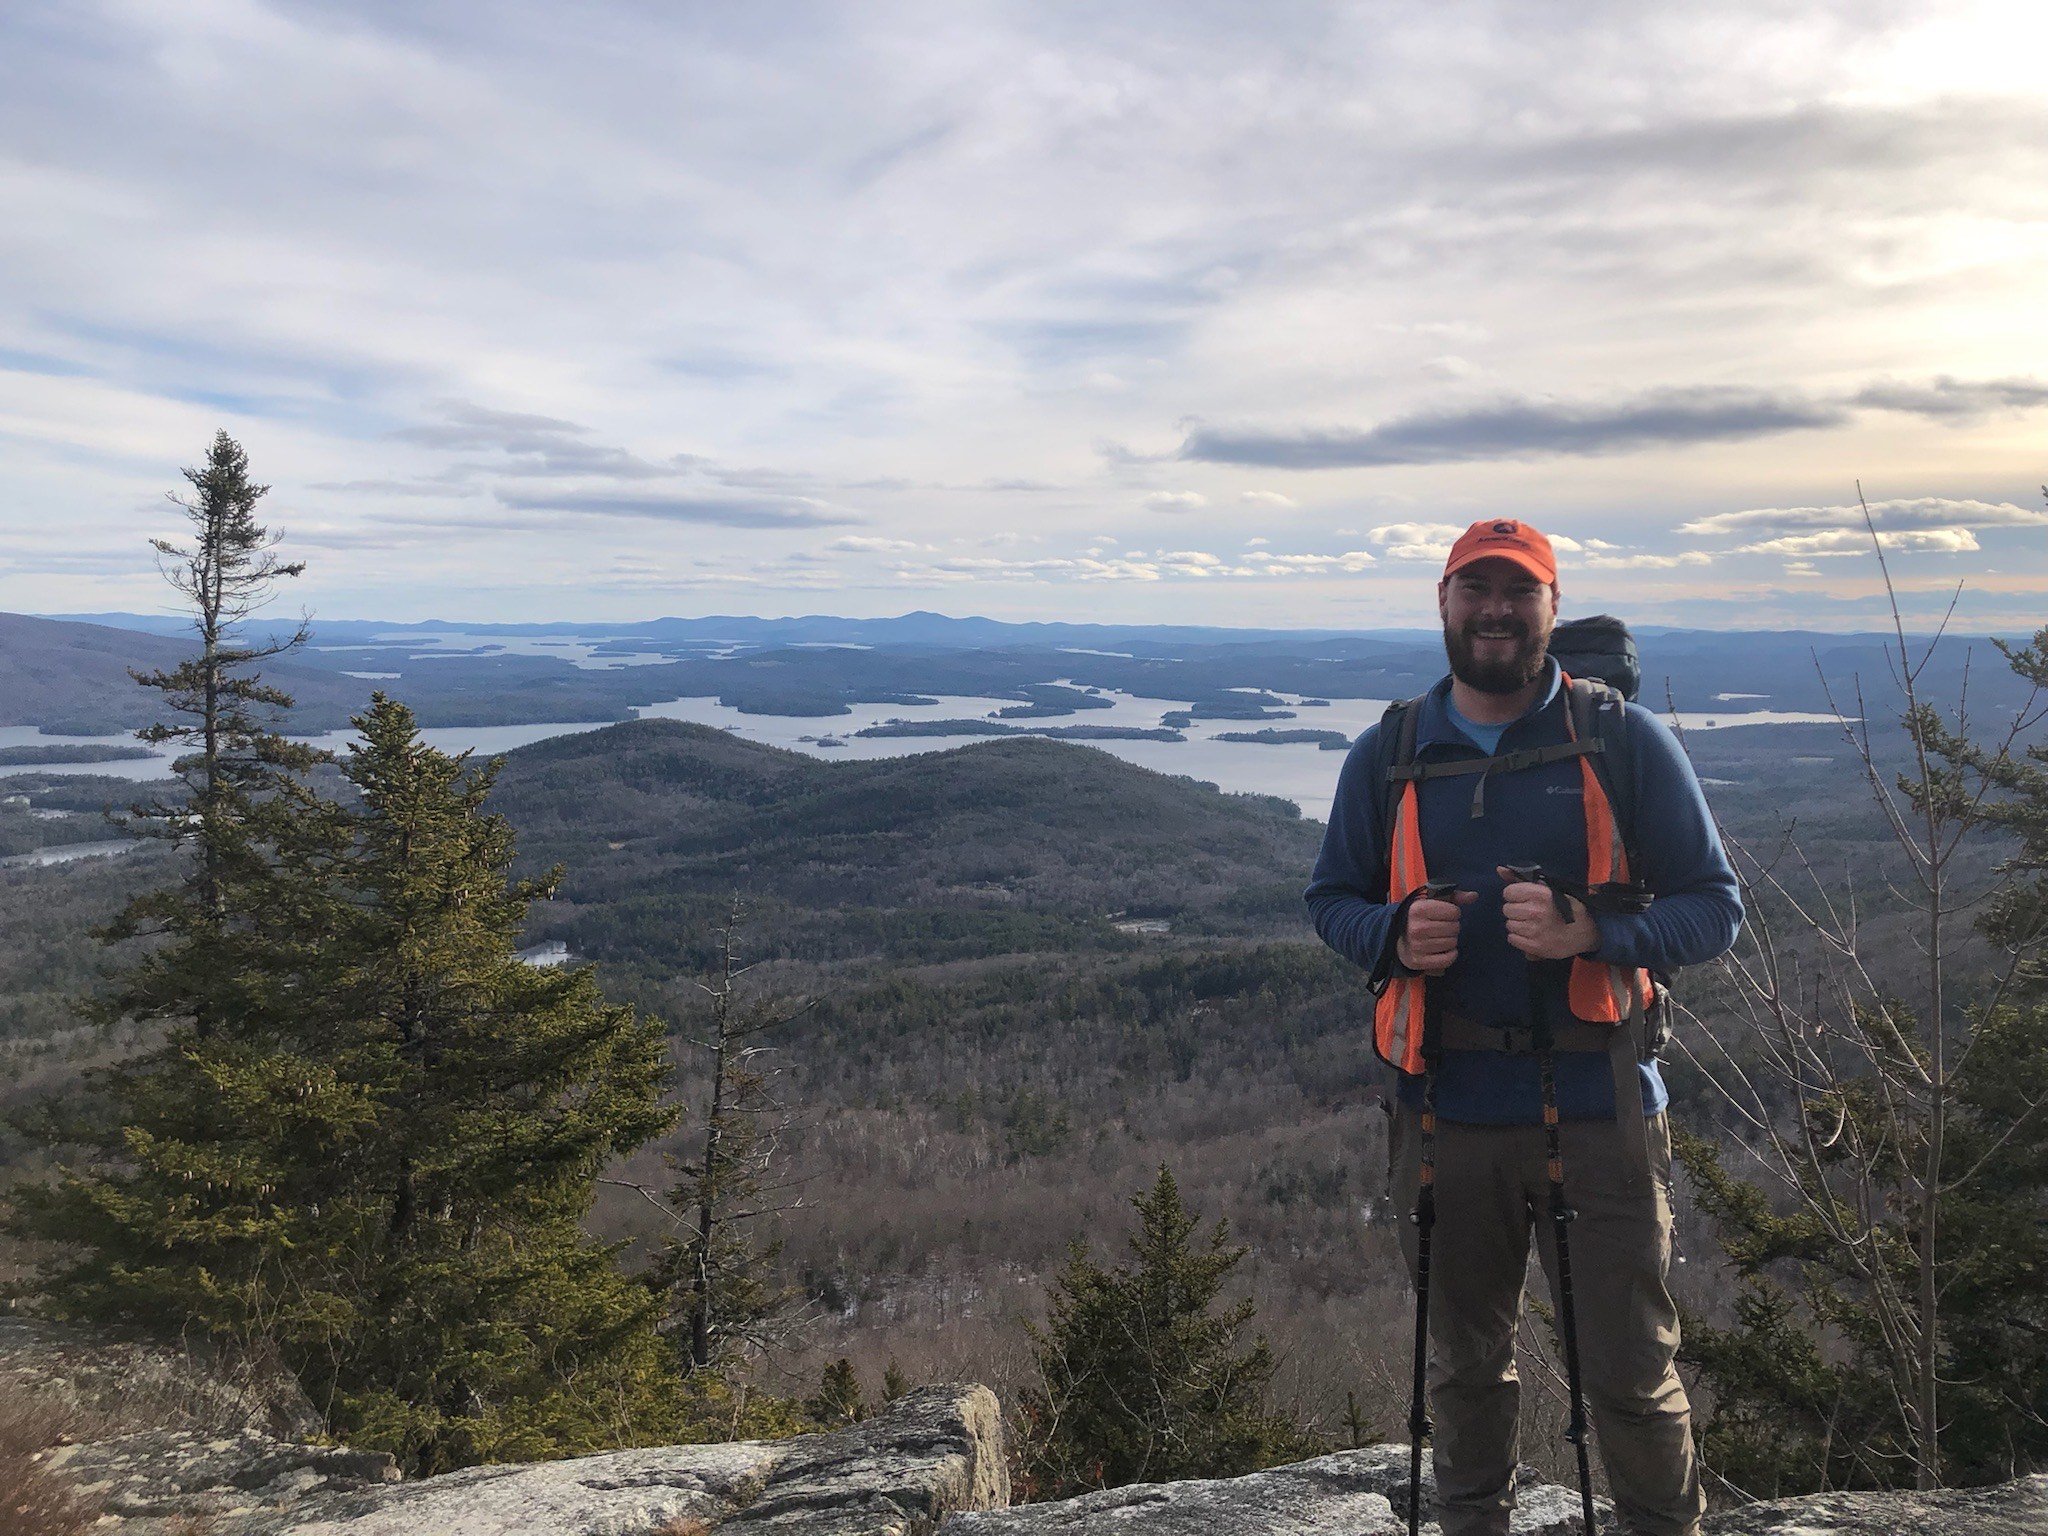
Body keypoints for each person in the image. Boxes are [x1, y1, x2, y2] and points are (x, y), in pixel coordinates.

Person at [1304, 518, 1741, 1536]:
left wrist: (1591, 929)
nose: (1494, 611)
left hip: (1598, 1109)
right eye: (1475, 590)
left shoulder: (1620, 741)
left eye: (1517, 592)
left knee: (1628, 1374)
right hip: (1443, 1111)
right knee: (1462, 1370)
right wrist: (1388, 935)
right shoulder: (1390, 752)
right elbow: (1328, 896)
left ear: (1549, 605)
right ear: (1443, 600)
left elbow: (1714, 907)